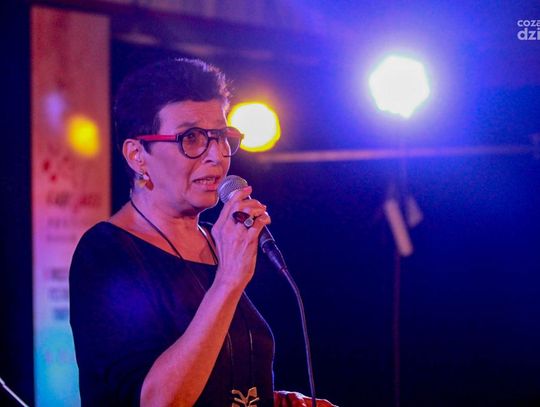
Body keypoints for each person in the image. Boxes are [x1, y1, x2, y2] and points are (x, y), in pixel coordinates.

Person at [69, 58, 334, 407]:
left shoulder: (218, 242)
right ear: (137, 155)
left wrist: (278, 401)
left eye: (220, 137)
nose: (216, 156)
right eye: (191, 138)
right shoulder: (105, 253)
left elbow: (223, 381)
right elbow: (155, 401)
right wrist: (227, 281)